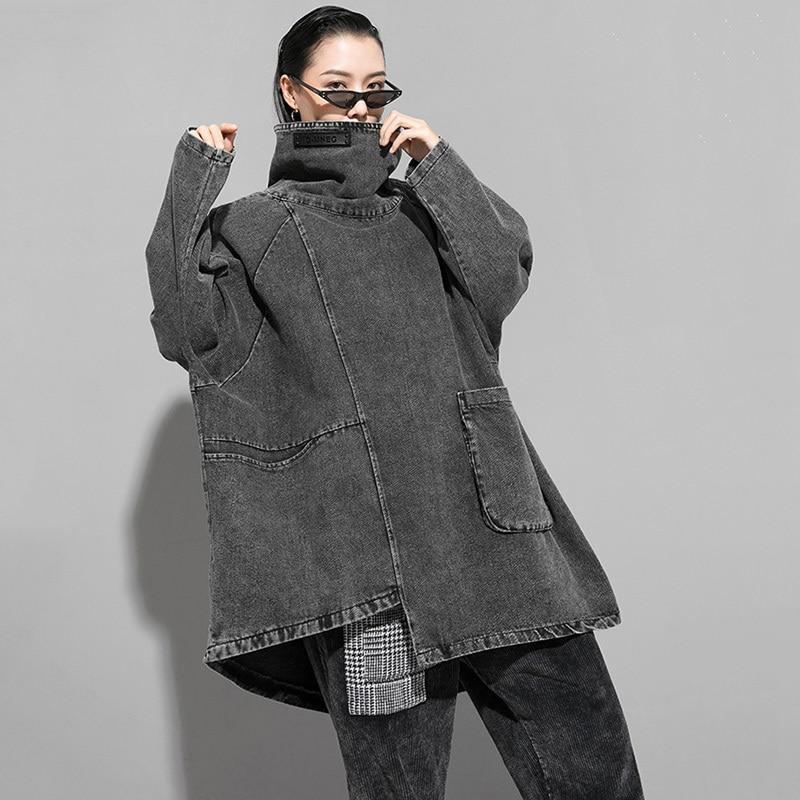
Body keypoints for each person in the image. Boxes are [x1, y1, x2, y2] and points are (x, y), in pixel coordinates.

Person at [147, 5, 645, 798]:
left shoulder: (425, 211)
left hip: (495, 538)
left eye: (375, 89)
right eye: (337, 88)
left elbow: (503, 273)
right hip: (367, 576)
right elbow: (185, 331)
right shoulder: (252, 230)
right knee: (397, 790)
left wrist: (437, 162)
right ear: (290, 93)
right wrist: (191, 179)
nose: (359, 108)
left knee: (598, 775)